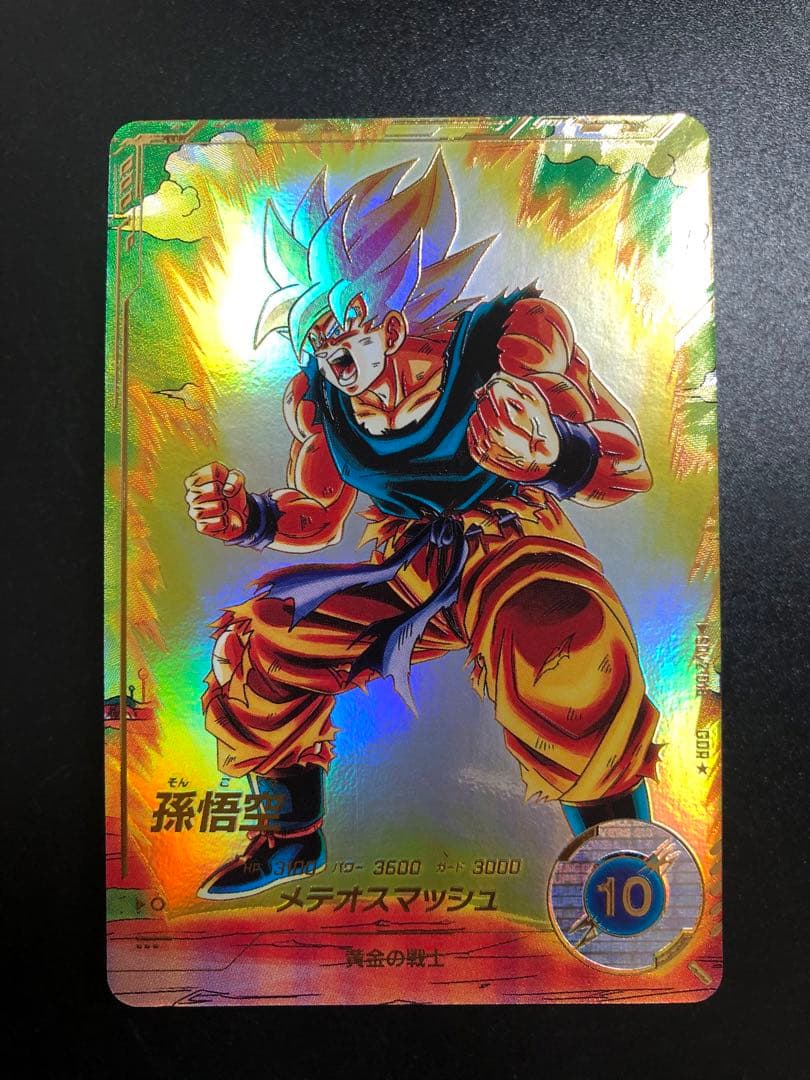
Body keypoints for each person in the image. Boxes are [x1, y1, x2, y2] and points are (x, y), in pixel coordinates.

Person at [185, 153, 659, 900]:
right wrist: (252, 517)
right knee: (259, 643)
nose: (333, 363)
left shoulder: (511, 339)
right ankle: (291, 840)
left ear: (391, 323)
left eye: (343, 338)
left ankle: (624, 865)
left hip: (515, 540)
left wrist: (557, 451)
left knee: (567, 649)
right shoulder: (319, 399)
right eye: (317, 346)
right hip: (410, 559)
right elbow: (316, 515)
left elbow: (628, 465)